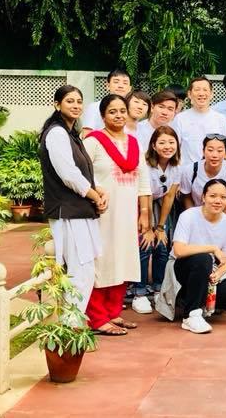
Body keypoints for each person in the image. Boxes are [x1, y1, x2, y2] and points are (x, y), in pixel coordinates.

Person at [83, 94, 151, 336]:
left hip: (127, 213)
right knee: (102, 261)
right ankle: (97, 317)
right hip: (101, 213)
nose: (119, 115)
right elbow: (82, 176)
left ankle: (112, 312)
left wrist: (144, 213)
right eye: (113, 111)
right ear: (103, 116)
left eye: (122, 110)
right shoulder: (93, 141)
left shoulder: (134, 143)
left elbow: (143, 181)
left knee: (124, 259)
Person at [38, 85, 104, 319]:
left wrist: (97, 191)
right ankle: (70, 324)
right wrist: (94, 195)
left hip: (79, 210)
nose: (76, 105)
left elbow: (81, 173)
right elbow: (68, 174)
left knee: (84, 268)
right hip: (69, 212)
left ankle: (72, 321)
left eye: (79, 101)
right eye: (69, 101)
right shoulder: (56, 133)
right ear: (57, 104)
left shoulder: (71, 133)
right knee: (80, 269)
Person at [168, 179, 226, 334]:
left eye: (223, 197)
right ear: (203, 197)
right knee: (203, 258)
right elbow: (179, 250)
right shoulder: (188, 216)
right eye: (213, 196)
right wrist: (212, 248)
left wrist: (218, 273)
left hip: (209, 269)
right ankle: (191, 315)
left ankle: (190, 298)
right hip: (183, 266)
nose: (218, 201)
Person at [129, 125, 181, 315]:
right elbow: (146, 195)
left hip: (159, 207)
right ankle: (139, 292)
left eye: (171, 142)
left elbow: (168, 197)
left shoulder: (176, 167)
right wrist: (149, 228)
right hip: (140, 205)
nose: (167, 146)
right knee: (144, 245)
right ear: (153, 145)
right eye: (162, 142)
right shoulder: (145, 164)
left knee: (162, 246)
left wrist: (160, 227)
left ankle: (158, 289)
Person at [179, 134, 226, 214]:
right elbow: (187, 198)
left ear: (225, 152)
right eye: (210, 150)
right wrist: (194, 218)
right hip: (196, 213)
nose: (214, 155)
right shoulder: (189, 171)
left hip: (222, 214)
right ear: (203, 151)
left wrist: (219, 221)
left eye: (220, 151)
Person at [172, 76, 226, 166]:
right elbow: (174, 149)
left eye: (205, 90)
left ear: (211, 94)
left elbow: (225, 151)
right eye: (197, 90)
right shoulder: (180, 119)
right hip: (187, 173)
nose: (201, 93)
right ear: (189, 94)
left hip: (214, 173)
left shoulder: (221, 119)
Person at [81, 68, 132, 133]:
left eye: (125, 83)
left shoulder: (132, 109)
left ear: (130, 88)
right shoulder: (94, 107)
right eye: (116, 82)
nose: (120, 86)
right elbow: (87, 134)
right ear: (107, 86)